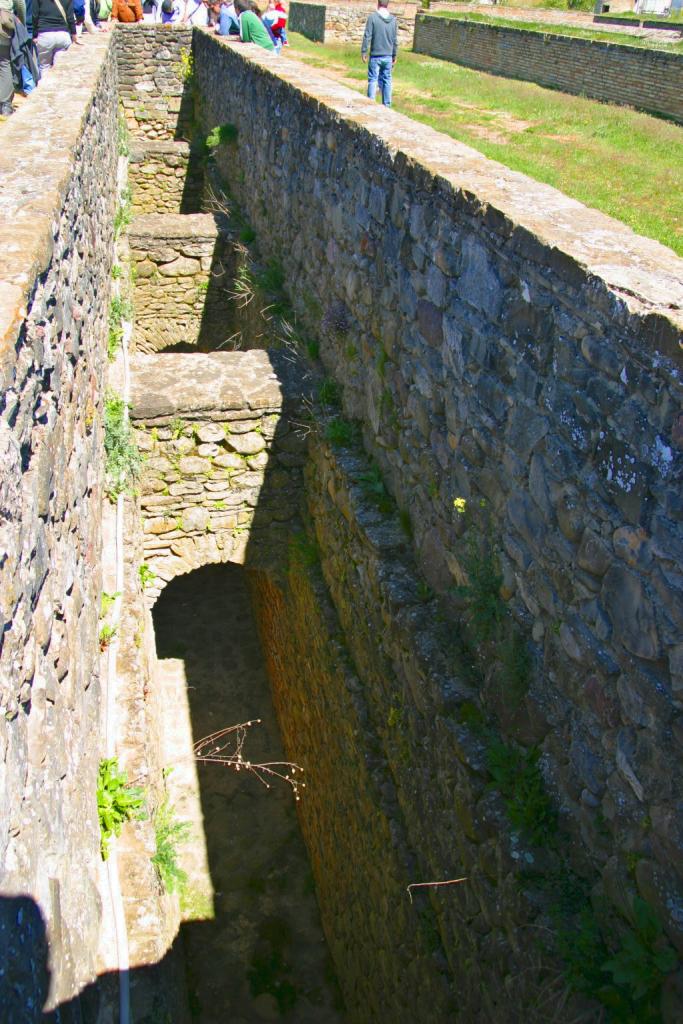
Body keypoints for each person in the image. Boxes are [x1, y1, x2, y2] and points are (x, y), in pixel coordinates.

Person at [361, 0, 397, 108]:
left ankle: (370, 104)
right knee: (387, 80)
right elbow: (395, 39)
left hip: (375, 55)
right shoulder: (393, 20)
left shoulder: (372, 18)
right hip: (388, 55)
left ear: (378, 4)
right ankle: (387, 105)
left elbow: (367, 36)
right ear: (387, 4)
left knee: (373, 79)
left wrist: (364, 51)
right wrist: (394, 54)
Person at [33, 0, 80, 74]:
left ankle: (45, 81)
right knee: (60, 67)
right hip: (63, 35)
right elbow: (70, 18)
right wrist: (74, 34)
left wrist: (35, 35)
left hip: (45, 34)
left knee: (44, 67)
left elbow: (35, 16)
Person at [0, 0, 25, 115]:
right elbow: (20, 4)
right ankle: (5, 105)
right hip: (3, 23)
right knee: (4, 63)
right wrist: (21, 23)